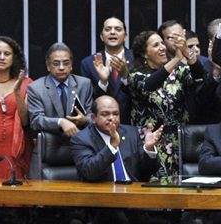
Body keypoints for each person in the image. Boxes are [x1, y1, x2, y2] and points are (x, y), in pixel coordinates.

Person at [127, 29, 205, 178]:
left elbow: (199, 77)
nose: (162, 47)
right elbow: (148, 85)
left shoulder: (179, 72)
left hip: (179, 140)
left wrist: (187, 53)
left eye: (162, 43)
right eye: (156, 45)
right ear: (145, 53)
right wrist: (176, 59)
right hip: (151, 141)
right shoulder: (135, 75)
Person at [70, 96, 163, 182]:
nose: (111, 118)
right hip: (102, 194)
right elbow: (89, 173)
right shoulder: (81, 139)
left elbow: (148, 171)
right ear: (93, 118)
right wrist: (112, 146)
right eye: (105, 114)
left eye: (115, 114)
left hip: (133, 192)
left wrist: (149, 149)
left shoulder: (131, 133)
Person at [0, 36, 34, 179]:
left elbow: (26, 121)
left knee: (15, 196)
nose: (2, 57)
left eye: (7, 54)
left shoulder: (26, 84)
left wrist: (17, 92)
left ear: (14, 58)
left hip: (17, 151)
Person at [28, 42, 94, 137]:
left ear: (71, 65)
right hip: (50, 144)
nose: (61, 67)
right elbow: (36, 121)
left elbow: (93, 117)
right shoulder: (35, 88)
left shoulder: (84, 84)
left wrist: (84, 120)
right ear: (48, 66)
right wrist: (60, 122)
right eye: (56, 63)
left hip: (79, 143)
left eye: (66, 63)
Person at [79, 17, 134, 124]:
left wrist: (125, 77)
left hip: (132, 124)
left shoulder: (137, 59)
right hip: (101, 126)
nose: (112, 32)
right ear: (101, 36)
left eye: (118, 29)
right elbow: (88, 100)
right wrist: (103, 82)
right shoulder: (88, 63)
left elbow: (142, 94)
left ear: (125, 36)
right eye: (108, 29)